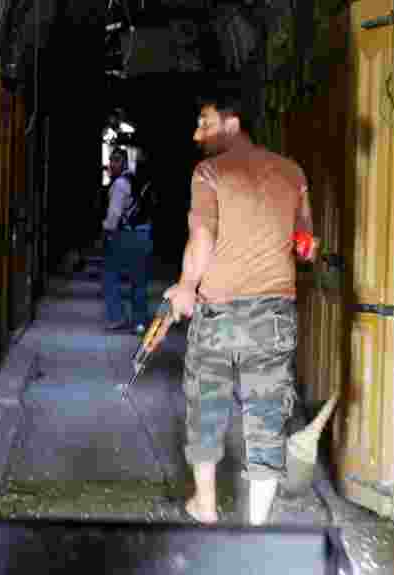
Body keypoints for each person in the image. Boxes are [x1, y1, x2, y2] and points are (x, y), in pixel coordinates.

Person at [149, 91, 317, 525]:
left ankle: (205, 507)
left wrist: (186, 286)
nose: (196, 134)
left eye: (204, 123)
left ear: (232, 123)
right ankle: (257, 525)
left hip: (220, 311)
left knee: (206, 404)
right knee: (267, 412)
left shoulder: (209, 172)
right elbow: (306, 244)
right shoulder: (293, 172)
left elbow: (202, 236)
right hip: (274, 312)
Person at [101, 148, 153, 332]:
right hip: (144, 232)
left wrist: (107, 230)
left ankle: (117, 317)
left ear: (123, 162)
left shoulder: (120, 184)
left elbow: (114, 214)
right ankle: (139, 322)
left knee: (109, 275)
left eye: (116, 160)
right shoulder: (136, 180)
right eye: (111, 160)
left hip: (126, 235)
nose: (112, 164)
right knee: (139, 280)